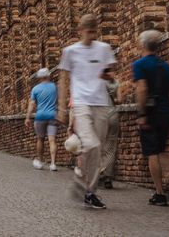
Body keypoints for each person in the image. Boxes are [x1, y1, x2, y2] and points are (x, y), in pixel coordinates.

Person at [58, 14, 116, 209]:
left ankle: (90, 193)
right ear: (80, 30)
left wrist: (107, 76)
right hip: (81, 103)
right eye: (87, 31)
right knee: (91, 144)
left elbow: (110, 73)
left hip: (101, 103)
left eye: (94, 31)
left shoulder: (104, 49)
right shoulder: (71, 52)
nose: (91, 35)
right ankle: (80, 176)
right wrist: (62, 108)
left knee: (97, 149)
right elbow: (64, 79)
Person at [132, 29, 169, 207]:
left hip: (151, 113)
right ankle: (168, 182)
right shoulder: (166, 66)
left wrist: (142, 114)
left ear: (142, 45)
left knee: (152, 152)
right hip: (166, 112)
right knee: (161, 150)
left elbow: (142, 89)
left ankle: (160, 192)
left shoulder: (140, 65)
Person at [25, 68, 58, 171]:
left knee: (40, 139)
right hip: (53, 116)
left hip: (40, 116)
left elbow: (32, 104)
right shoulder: (54, 87)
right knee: (52, 140)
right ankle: (53, 164)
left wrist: (27, 117)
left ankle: (40, 161)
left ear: (40, 77)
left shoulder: (35, 89)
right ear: (48, 76)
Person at [99, 78, 121, 189]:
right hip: (112, 115)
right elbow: (119, 100)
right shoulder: (114, 81)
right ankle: (108, 177)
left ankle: (99, 173)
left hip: (99, 116)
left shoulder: (95, 81)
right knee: (111, 148)